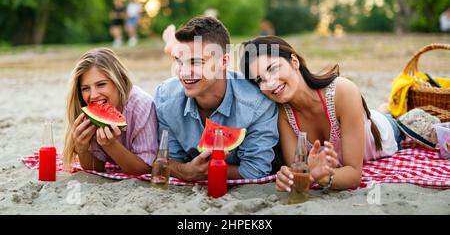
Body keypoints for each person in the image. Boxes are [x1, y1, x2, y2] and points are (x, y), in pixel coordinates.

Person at [240, 36, 401, 191]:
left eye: (273, 68)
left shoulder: (343, 91)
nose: (270, 83)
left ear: (294, 61)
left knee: (398, 118)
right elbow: (299, 173)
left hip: (386, 130)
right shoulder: (283, 114)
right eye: (260, 80)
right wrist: (294, 179)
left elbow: (353, 175)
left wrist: (321, 178)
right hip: (357, 118)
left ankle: (387, 108)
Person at [154, 16, 279, 181]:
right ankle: (171, 44)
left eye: (196, 62)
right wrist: (186, 170)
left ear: (224, 61)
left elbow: (255, 170)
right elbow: (169, 160)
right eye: (179, 61)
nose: (183, 73)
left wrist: (201, 172)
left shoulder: (257, 103)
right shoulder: (165, 97)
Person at [63, 48, 158, 175]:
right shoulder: (87, 112)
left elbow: (146, 169)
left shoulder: (141, 105)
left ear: (120, 81)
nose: (93, 95)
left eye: (101, 84)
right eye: (85, 88)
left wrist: (110, 145)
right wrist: (82, 149)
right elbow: (95, 168)